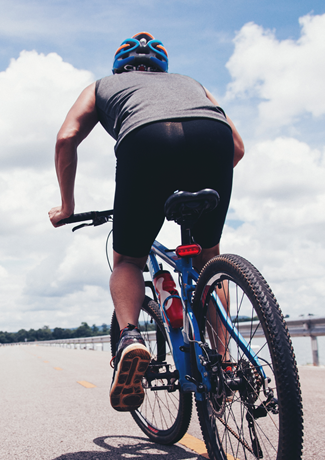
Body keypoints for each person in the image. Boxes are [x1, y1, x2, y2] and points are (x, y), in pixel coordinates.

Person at [49, 32, 245, 412]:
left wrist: (67, 206)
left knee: (128, 260)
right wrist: (200, 175)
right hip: (213, 138)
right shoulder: (191, 84)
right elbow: (237, 149)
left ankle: (129, 337)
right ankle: (223, 362)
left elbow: (66, 138)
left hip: (145, 140)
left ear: (119, 68)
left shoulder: (101, 86)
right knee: (208, 259)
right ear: (162, 68)